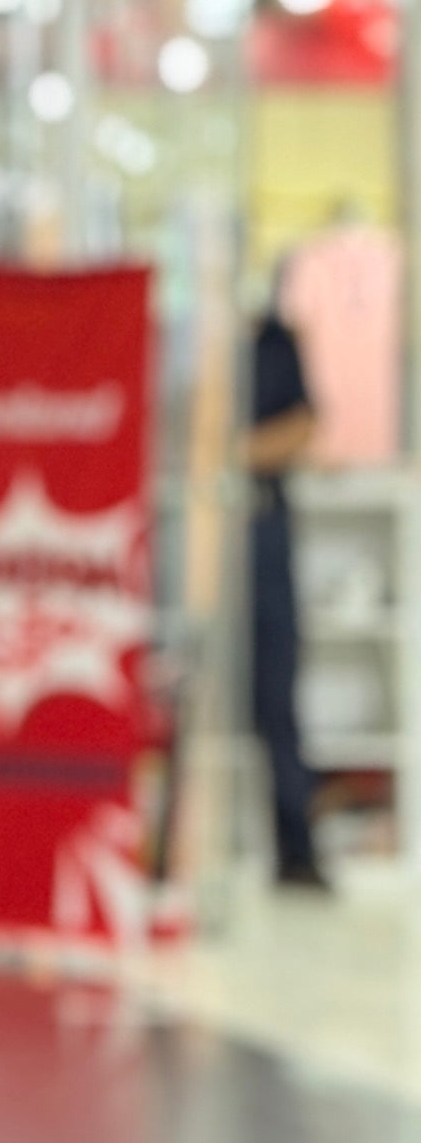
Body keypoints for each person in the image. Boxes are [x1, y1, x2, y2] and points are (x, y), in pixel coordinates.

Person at [245, 284, 326, 890]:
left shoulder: (276, 342)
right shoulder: (185, 335)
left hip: (261, 522)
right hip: (197, 527)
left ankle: (297, 850)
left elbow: (303, 424)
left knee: (278, 694)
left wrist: (233, 455)